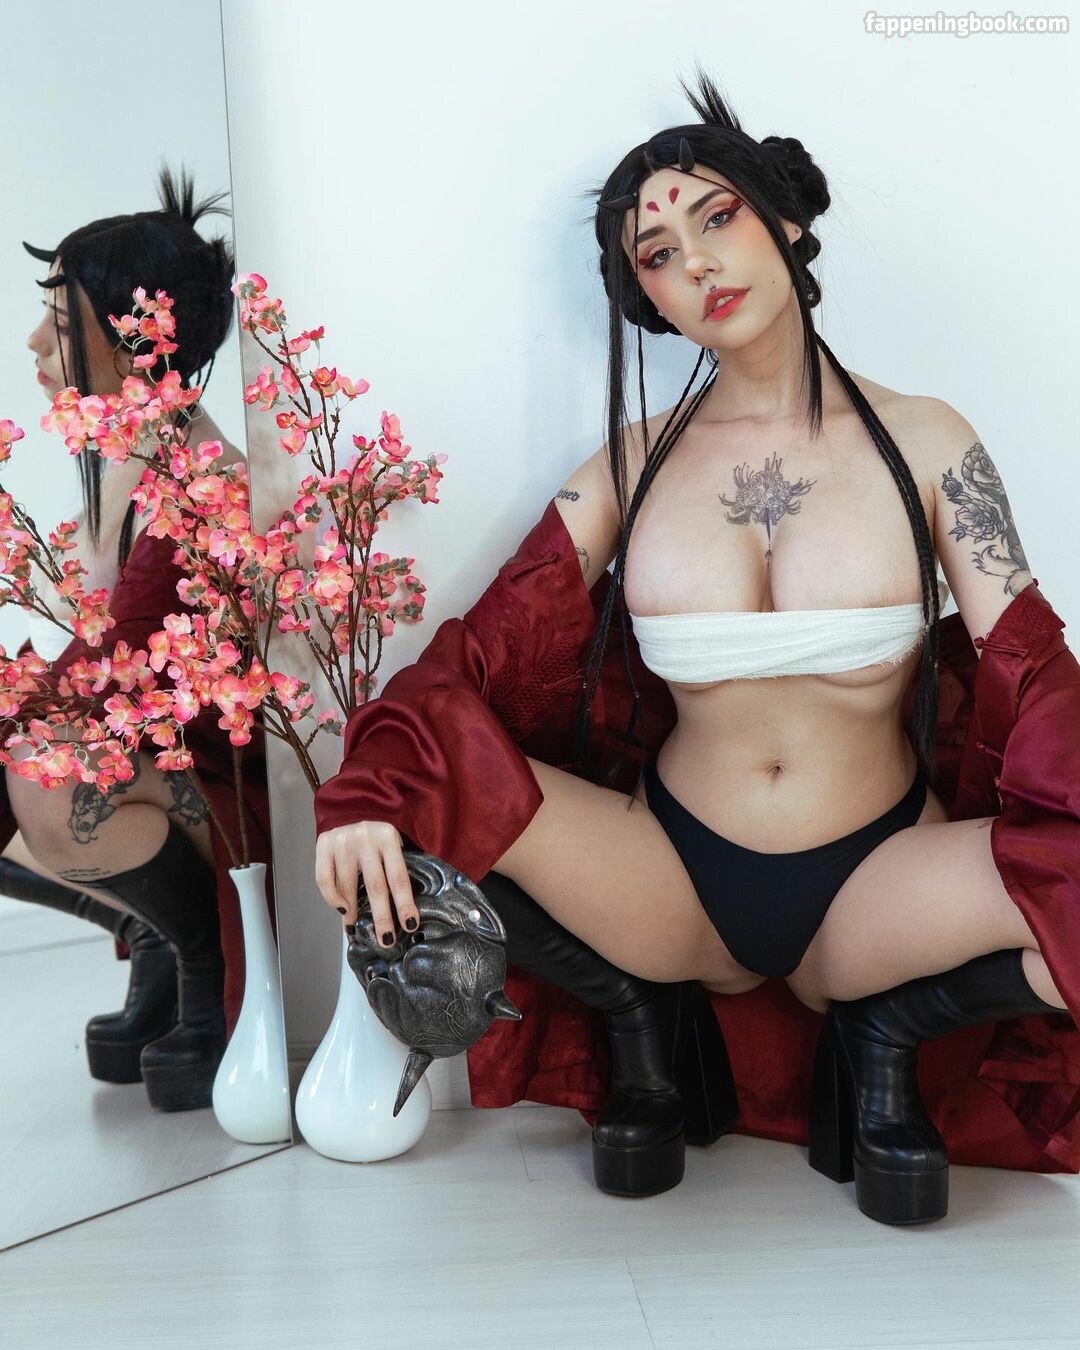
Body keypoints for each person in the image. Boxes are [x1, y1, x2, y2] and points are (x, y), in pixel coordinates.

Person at [312, 70, 1069, 1221]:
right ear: (648, 299)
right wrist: (370, 787)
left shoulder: (928, 439)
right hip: (667, 875)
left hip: (880, 882)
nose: (700, 262)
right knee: (397, 828)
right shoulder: (631, 462)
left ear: (789, 221)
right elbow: (482, 650)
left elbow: (1031, 665)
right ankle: (635, 1014)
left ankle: (890, 1027)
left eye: (718, 216)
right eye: (659, 253)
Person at [0, 167, 267, 1112]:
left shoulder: (200, 480)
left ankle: (202, 954)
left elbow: (109, 675)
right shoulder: (124, 454)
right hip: (153, 752)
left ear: (136, 339)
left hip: (229, 794)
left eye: (59, 323)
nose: (35, 343)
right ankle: (154, 933)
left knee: (46, 769)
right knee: (35, 753)